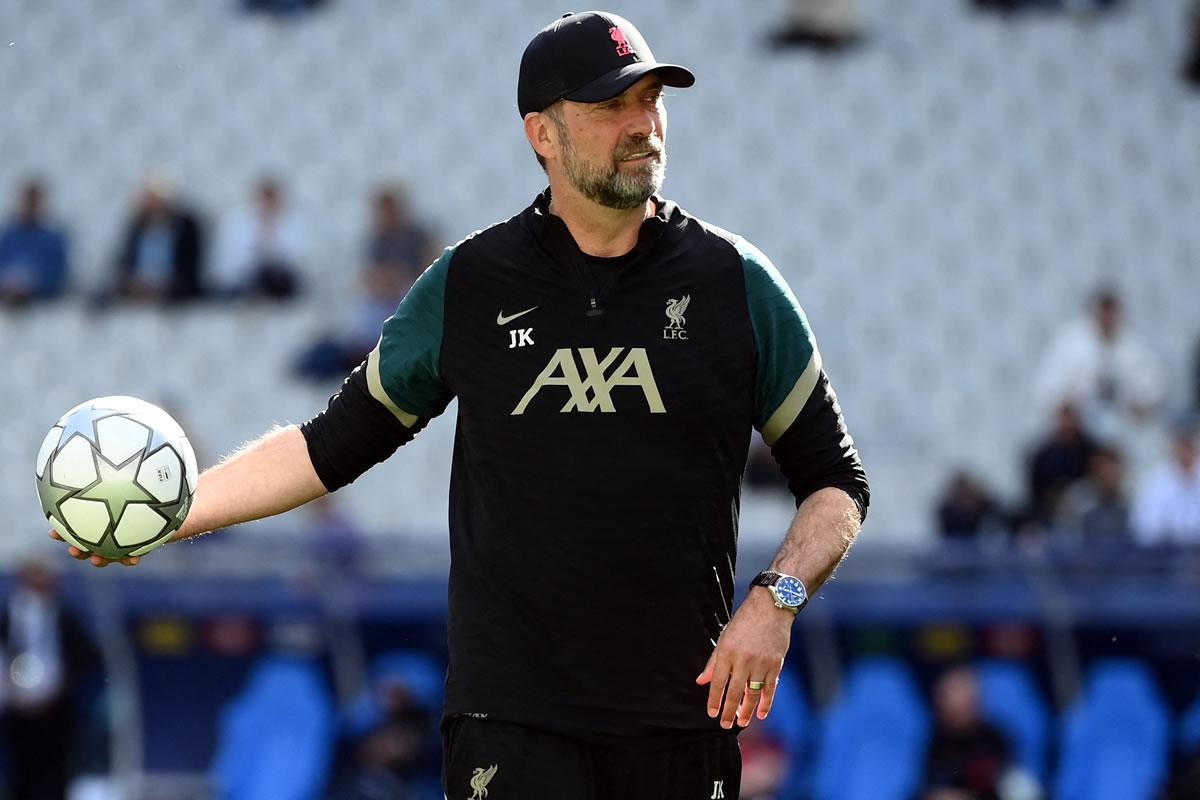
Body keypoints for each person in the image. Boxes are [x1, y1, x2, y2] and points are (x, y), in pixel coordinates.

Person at [54, 12, 869, 799]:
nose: (642, 123)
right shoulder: (471, 284)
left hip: (684, 719)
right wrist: (175, 510)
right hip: (511, 722)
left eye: (651, 99)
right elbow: (329, 445)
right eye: (610, 104)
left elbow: (838, 484)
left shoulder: (738, 285)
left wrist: (776, 602)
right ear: (541, 134)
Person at [0, 559, 101, 800]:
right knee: (20, 772)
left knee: (56, 773)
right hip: (15, 709)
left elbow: (87, 658)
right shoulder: (8, 616)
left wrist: (63, 683)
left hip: (57, 708)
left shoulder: (66, 618)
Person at [108, 175, 205, 304]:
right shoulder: (136, 228)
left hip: (173, 292)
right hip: (138, 290)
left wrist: (163, 285)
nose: (153, 204)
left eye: (156, 200)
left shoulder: (186, 228)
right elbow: (126, 262)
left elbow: (188, 269)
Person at [922, 666, 1014, 800]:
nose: (966, 698)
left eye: (969, 691)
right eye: (956, 691)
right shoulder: (935, 742)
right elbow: (934, 790)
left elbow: (1014, 783)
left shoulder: (994, 738)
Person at [213, 177, 304, 300]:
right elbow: (233, 258)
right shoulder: (238, 222)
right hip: (245, 275)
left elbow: (293, 258)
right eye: (264, 201)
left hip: (276, 277)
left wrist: (270, 237)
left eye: (271, 201)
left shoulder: (291, 223)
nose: (267, 206)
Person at [1130, 416, 1200, 546]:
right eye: (1181, 442)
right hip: (1166, 553)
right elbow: (1145, 528)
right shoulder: (1156, 479)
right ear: (1173, 445)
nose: (1185, 449)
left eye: (1188, 442)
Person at [0, 179, 69, 306]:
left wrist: (32, 284)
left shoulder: (53, 240)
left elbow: (57, 275)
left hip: (38, 302)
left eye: (34, 202)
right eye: (27, 201)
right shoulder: (7, 237)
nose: (30, 206)